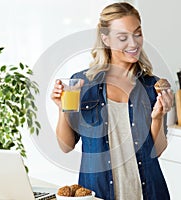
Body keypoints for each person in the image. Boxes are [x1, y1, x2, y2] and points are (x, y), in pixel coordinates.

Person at [51, 2, 173, 200]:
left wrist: (158, 117)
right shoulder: (83, 84)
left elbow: (156, 151)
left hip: (148, 193)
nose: (133, 44)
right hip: (98, 194)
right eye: (123, 37)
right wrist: (63, 109)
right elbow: (66, 146)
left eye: (138, 33)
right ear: (105, 38)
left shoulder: (153, 86)